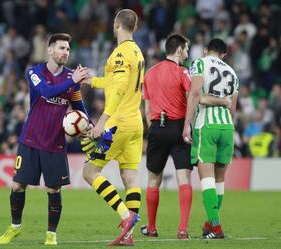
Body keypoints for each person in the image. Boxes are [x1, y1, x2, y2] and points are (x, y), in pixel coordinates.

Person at [0, 33, 89, 245]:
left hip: (55, 142)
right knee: (18, 185)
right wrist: (73, 81)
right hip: (30, 140)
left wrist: (89, 125)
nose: (66, 52)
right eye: (62, 48)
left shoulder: (71, 79)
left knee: (53, 189)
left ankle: (51, 235)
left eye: (68, 49)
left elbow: (78, 108)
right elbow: (46, 91)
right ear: (50, 50)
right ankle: (15, 227)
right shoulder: (34, 71)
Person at [141, 34, 231, 239]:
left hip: (156, 127)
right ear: (179, 50)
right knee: (184, 179)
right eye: (187, 50)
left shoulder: (150, 73)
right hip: (180, 128)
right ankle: (182, 230)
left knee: (153, 179)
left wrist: (154, 128)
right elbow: (195, 96)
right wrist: (222, 101)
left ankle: (152, 228)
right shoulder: (183, 72)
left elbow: (146, 108)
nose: (188, 54)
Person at [81, 9, 144, 246]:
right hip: (136, 123)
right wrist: (93, 81)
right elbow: (118, 82)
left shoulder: (119, 54)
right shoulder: (137, 52)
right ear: (135, 27)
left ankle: (126, 216)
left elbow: (117, 90)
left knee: (90, 172)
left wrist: (102, 122)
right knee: (129, 175)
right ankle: (129, 236)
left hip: (119, 123)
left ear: (116, 24)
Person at [182, 38, 239, 239]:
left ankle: (216, 228)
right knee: (220, 180)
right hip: (227, 127)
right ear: (224, 54)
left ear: (206, 50)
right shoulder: (233, 73)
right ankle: (210, 224)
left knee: (206, 178)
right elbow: (232, 108)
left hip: (206, 125)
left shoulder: (199, 63)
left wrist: (187, 122)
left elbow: (195, 93)